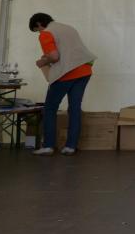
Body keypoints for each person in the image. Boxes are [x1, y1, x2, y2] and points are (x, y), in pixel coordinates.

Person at [29, 13, 95, 156]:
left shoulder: (46, 33)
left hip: (66, 73)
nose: (39, 33)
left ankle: (48, 146)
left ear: (39, 24)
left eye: (37, 30)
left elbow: (54, 56)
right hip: (84, 71)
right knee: (75, 108)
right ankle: (71, 146)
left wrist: (43, 61)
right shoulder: (69, 28)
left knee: (50, 108)